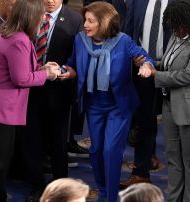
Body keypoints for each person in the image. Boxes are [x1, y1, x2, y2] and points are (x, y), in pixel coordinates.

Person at [0, 0, 61, 200]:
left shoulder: (8, 32)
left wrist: (42, 69)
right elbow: (21, 78)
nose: (44, 19)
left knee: (0, 158)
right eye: (41, 15)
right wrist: (48, 75)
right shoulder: (18, 39)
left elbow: (20, 68)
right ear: (31, 16)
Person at [66, 2, 154, 202]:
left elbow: (144, 57)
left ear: (104, 22)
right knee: (96, 150)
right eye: (85, 20)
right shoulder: (80, 40)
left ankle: (111, 197)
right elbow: (72, 64)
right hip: (93, 104)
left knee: (110, 150)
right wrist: (63, 71)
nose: (85, 25)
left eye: (90, 21)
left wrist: (146, 66)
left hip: (118, 105)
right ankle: (103, 191)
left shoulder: (123, 41)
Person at [138, 1, 190, 201]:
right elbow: (167, 62)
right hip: (171, 106)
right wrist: (149, 63)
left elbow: (189, 75)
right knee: (173, 160)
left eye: (179, 26)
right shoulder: (177, 34)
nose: (176, 30)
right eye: (173, 26)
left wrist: (154, 75)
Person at [21, 0, 83, 200]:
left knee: (58, 144)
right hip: (30, 88)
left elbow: (78, 54)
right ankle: (36, 187)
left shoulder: (75, 19)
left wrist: (71, 71)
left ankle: (60, 189)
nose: (49, 0)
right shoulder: (29, 14)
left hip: (59, 90)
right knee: (32, 141)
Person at [120, 0, 173, 188]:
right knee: (144, 119)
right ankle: (141, 170)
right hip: (142, 69)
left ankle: (181, 177)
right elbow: (128, 32)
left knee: (175, 120)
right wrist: (131, 56)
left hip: (172, 71)